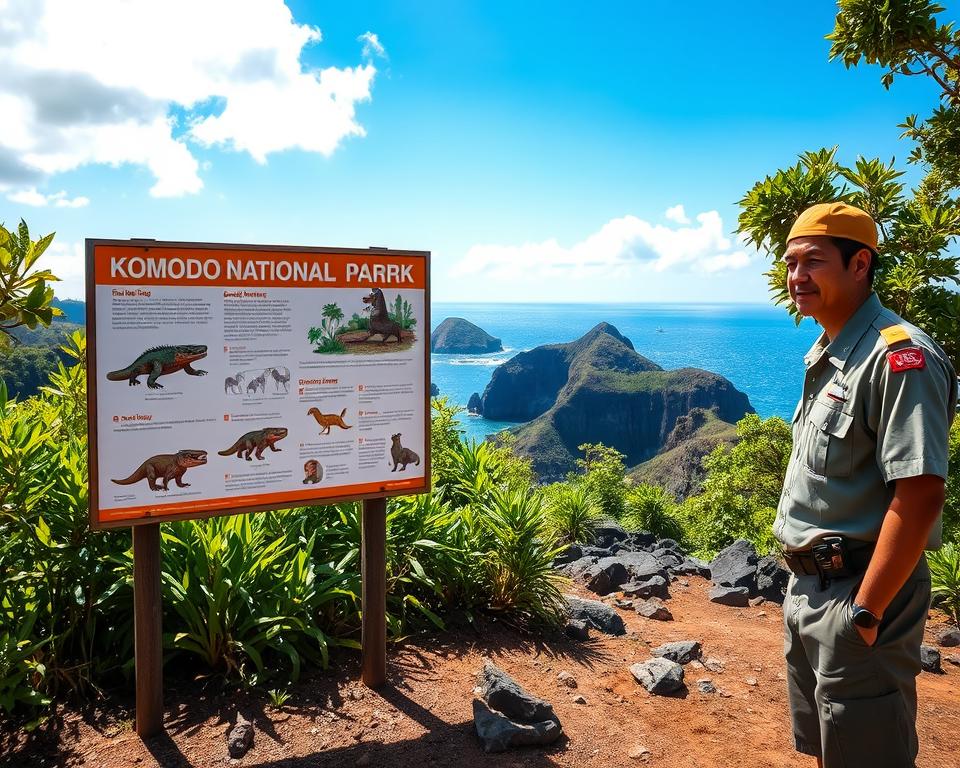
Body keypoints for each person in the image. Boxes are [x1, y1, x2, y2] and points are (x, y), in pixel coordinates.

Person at [775, 202, 957, 768]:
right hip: (812, 589)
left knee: (869, 752)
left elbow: (922, 492)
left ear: (860, 265)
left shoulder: (899, 356)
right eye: (790, 263)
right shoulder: (831, 352)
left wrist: (866, 613)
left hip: (859, 593)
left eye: (813, 262)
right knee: (832, 749)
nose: (796, 277)